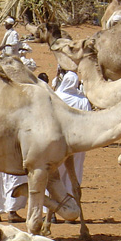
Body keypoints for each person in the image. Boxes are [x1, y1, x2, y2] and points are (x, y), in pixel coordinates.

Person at [48, 70, 92, 220]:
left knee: (54, 177)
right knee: (74, 176)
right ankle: (72, 211)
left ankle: (52, 213)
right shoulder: (83, 100)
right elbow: (88, 121)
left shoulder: (56, 98)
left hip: (58, 143)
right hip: (78, 144)